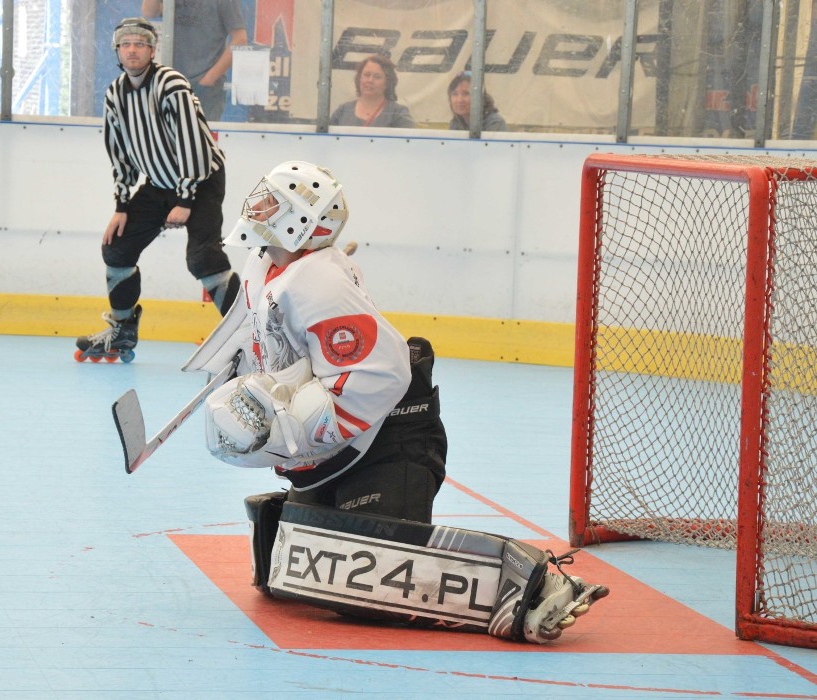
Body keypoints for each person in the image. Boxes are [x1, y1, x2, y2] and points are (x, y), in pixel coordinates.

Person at [183, 160, 609, 644]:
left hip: (390, 439)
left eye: (275, 201)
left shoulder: (316, 283)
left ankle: (534, 584)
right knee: (291, 579)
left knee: (373, 596)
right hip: (343, 452)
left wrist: (284, 429)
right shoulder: (267, 265)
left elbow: (377, 375)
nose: (259, 206)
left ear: (303, 221)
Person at [75, 17, 239, 363]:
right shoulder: (116, 94)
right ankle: (121, 330)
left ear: (152, 50)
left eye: (140, 43)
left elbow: (193, 141)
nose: (132, 49)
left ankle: (248, 335)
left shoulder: (170, 83)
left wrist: (186, 198)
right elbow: (119, 153)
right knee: (117, 249)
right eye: (125, 43)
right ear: (117, 50)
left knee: (203, 259)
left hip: (201, 179)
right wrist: (121, 205)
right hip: (160, 183)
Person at [141, 0, 248, 122]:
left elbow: (240, 39)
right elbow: (149, 11)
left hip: (205, 87)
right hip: (170, 81)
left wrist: (209, 79)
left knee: (201, 137)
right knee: (167, 136)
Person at [330, 54, 416, 128]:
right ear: (359, 78)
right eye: (366, 75)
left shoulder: (398, 113)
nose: (370, 80)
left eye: (377, 77)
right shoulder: (343, 110)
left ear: (387, 82)